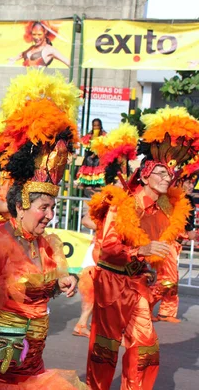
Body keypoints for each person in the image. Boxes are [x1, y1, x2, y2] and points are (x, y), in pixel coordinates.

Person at [0, 69, 84, 389]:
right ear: (22, 204)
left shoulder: (49, 245)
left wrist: (66, 280)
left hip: (35, 355)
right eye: (44, 208)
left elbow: (49, 284)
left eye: (53, 208)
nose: (50, 216)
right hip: (3, 357)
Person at [86, 107, 199, 390]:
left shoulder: (165, 208)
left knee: (146, 347)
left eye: (169, 173)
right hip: (112, 282)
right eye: (160, 171)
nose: (167, 177)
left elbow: (166, 240)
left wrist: (184, 238)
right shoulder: (124, 204)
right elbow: (108, 249)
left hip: (137, 284)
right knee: (105, 349)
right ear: (146, 175)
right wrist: (142, 249)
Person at [72, 123, 139, 338]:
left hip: (114, 255)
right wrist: (105, 227)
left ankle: (94, 327)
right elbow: (85, 220)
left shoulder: (128, 202)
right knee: (92, 292)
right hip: (98, 252)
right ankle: (84, 325)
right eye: (121, 180)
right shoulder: (105, 199)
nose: (124, 184)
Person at [149, 170, 198, 324]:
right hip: (165, 244)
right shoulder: (167, 199)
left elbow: (189, 233)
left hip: (173, 245)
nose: (191, 185)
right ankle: (144, 306)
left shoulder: (185, 202)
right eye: (188, 182)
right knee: (167, 280)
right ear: (179, 182)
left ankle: (166, 311)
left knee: (172, 279)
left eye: (193, 182)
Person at [77, 118, 107, 188]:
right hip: (90, 155)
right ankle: (85, 182)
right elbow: (85, 144)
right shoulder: (90, 135)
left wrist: (96, 152)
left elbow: (104, 146)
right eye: (94, 126)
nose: (96, 127)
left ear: (100, 126)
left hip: (99, 155)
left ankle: (98, 182)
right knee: (87, 159)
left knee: (99, 161)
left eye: (98, 126)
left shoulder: (104, 135)